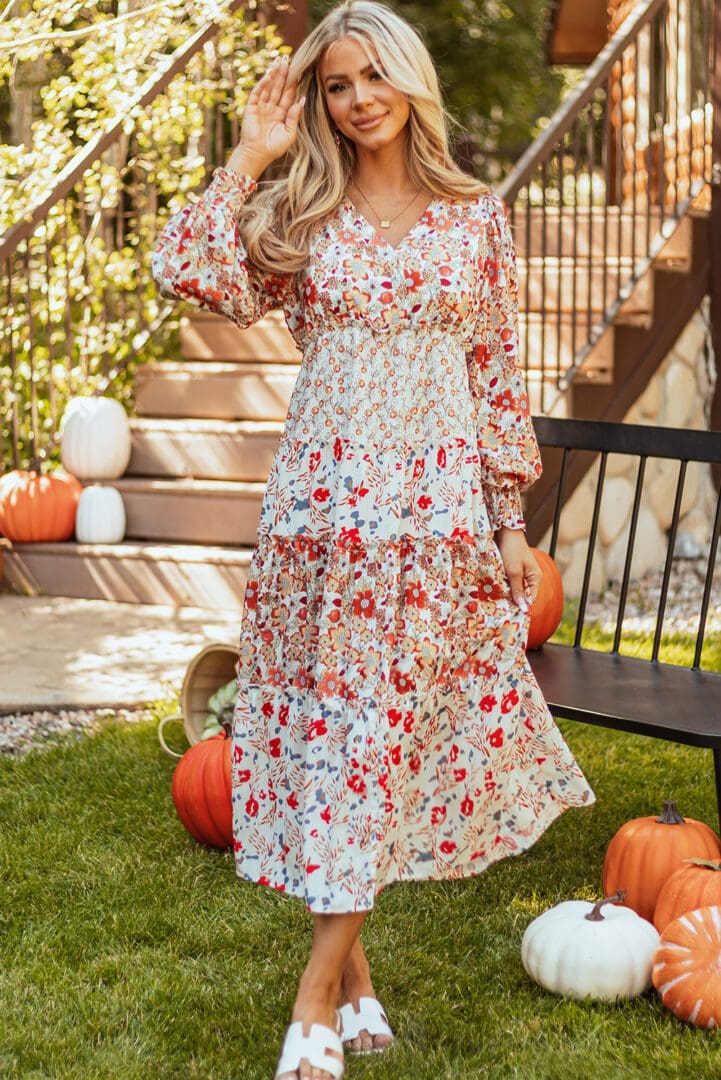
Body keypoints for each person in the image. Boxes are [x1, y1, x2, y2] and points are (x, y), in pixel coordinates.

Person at [151, 2, 596, 1077]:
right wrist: (250, 159)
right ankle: (351, 987)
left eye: (370, 78)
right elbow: (186, 271)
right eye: (334, 86)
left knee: (382, 736)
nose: (355, 101)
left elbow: (493, 377)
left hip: (436, 516)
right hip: (324, 517)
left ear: (409, 79)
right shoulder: (302, 215)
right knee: (339, 736)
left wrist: (505, 519)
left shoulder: (471, 217)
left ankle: (314, 997)